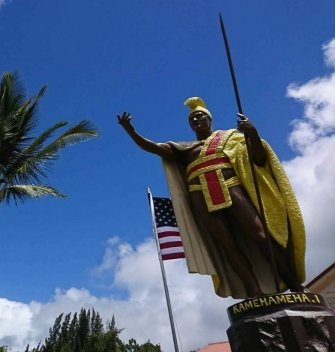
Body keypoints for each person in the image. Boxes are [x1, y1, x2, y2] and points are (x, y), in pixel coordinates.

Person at [118, 97, 306, 298]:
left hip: (232, 188)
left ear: (209, 120)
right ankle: (253, 289)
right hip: (201, 195)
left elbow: (259, 159)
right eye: (192, 119)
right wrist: (130, 130)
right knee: (226, 243)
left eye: (200, 116)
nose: (196, 119)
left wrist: (252, 133)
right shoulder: (184, 150)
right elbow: (154, 148)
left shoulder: (231, 139)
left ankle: (293, 282)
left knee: (260, 235)